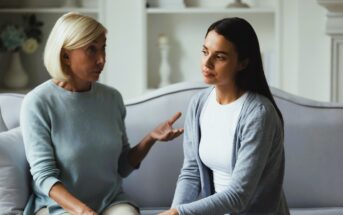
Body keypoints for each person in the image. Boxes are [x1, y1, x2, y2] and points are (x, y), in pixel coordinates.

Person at [20, 12, 183, 215]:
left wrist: (151, 138)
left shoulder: (112, 98)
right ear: (65, 55)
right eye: (91, 50)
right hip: (58, 207)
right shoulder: (38, 102)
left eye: (103, 48)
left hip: (110, 202)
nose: (102, 59)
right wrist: (84, 211)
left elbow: (122, 167)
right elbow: (44, 177)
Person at [160, 17, 290, 215]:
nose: (207, 63)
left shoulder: (259, 115)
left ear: (243, 63)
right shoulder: (199, 103)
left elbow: (239, 194)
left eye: (219, 57)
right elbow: (191, 172)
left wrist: (180, 213)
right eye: (205, 52)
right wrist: (174, 211)